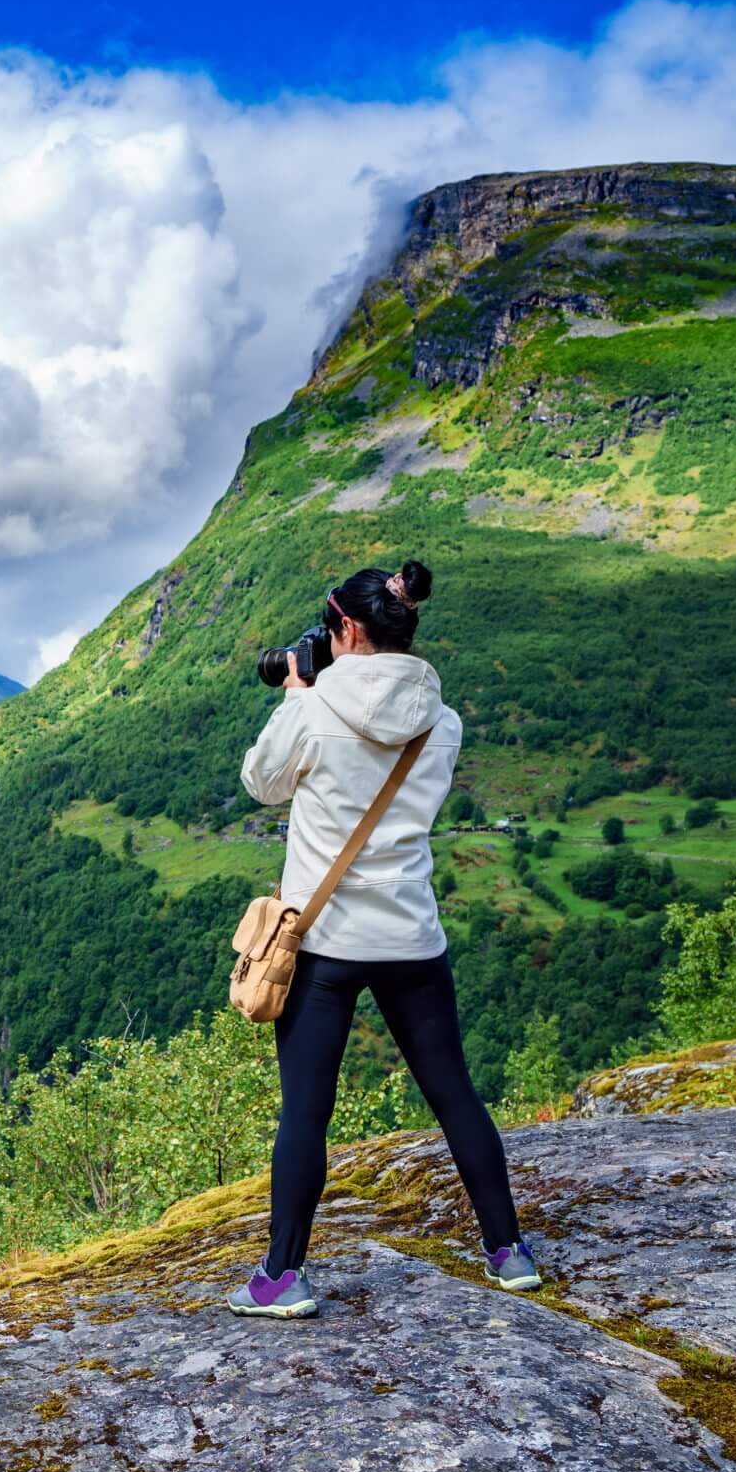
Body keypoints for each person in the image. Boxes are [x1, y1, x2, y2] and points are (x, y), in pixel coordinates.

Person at [226, 559, 541, 1319]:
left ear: (349, 629)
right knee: (454, 1091)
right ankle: (508, 1252)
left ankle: (282, 1276)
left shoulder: (313, 706)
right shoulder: (445, 720)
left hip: (325, 937)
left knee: (306, 1107)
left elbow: (260, 783)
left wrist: (300, 693)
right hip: (410, 933)